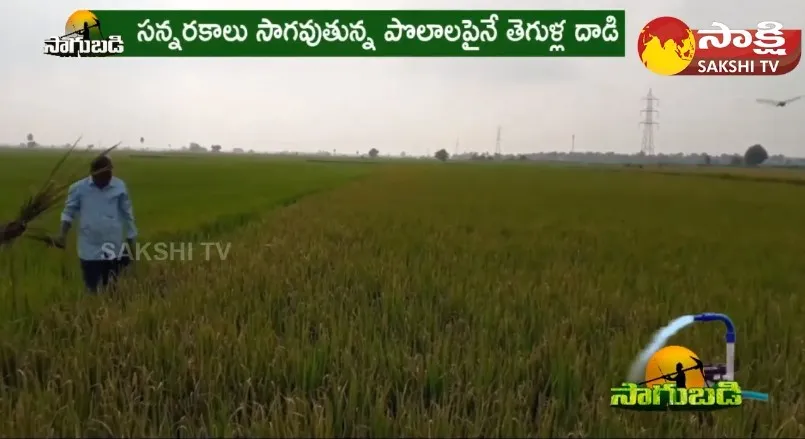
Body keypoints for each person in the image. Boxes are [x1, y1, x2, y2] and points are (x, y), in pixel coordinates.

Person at [55, 155, 137, 293]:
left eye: (110, 174)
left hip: (113, 246)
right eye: (104, 176)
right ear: (93, 174)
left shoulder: (119, 186)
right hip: (90, 249)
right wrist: (62, 235)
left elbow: (127, 214)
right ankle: (93, 311)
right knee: (92, 288)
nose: (108, 179)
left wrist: (131, 239)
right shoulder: (78, 189)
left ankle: (112, 312)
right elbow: (68, 213)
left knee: (112, 287)